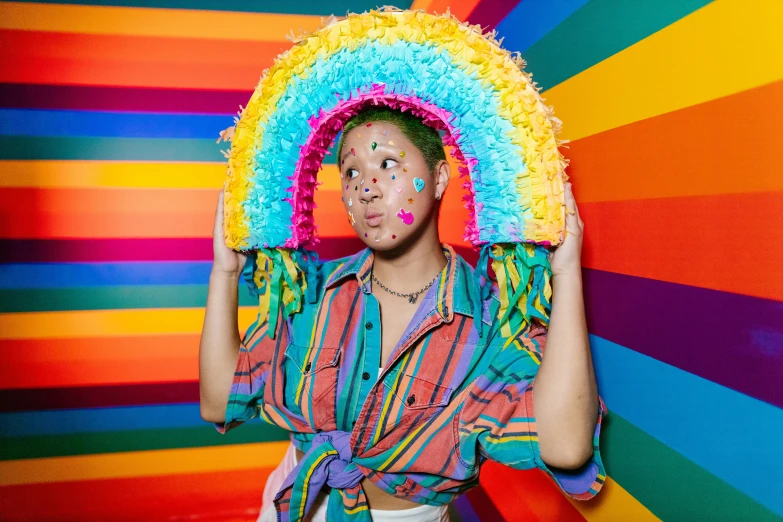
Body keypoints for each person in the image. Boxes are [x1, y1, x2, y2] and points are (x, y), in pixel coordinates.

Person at [199, 106, 606, 522]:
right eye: (351, 172)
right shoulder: (314, 293)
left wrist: (566, 271)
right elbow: (218, 403)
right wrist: (225, 270)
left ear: (438, 179)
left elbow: (567, 448)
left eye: (387, 163)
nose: (366, 189)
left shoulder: (490, 322)